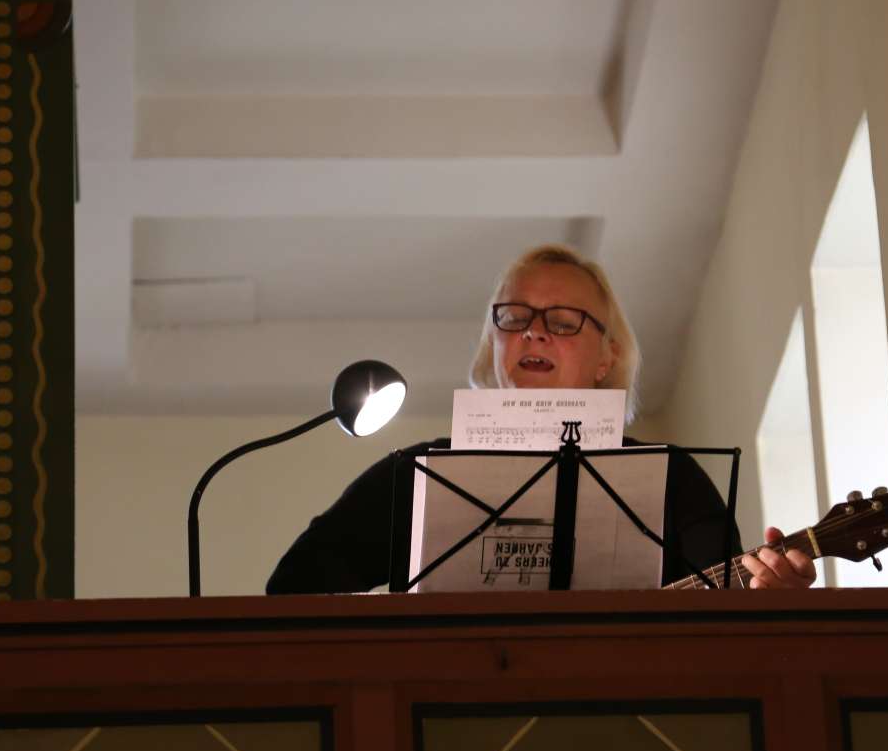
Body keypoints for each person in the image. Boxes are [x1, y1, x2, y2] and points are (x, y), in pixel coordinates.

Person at [267, 244, 817, 593]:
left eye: (563, 320)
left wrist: (770, 598)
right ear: (494, 344)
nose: (533, 332)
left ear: (607, 356)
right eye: (515, 317)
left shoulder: (673, 478)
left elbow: (725, 613)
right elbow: (293, 587)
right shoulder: (418, 471)